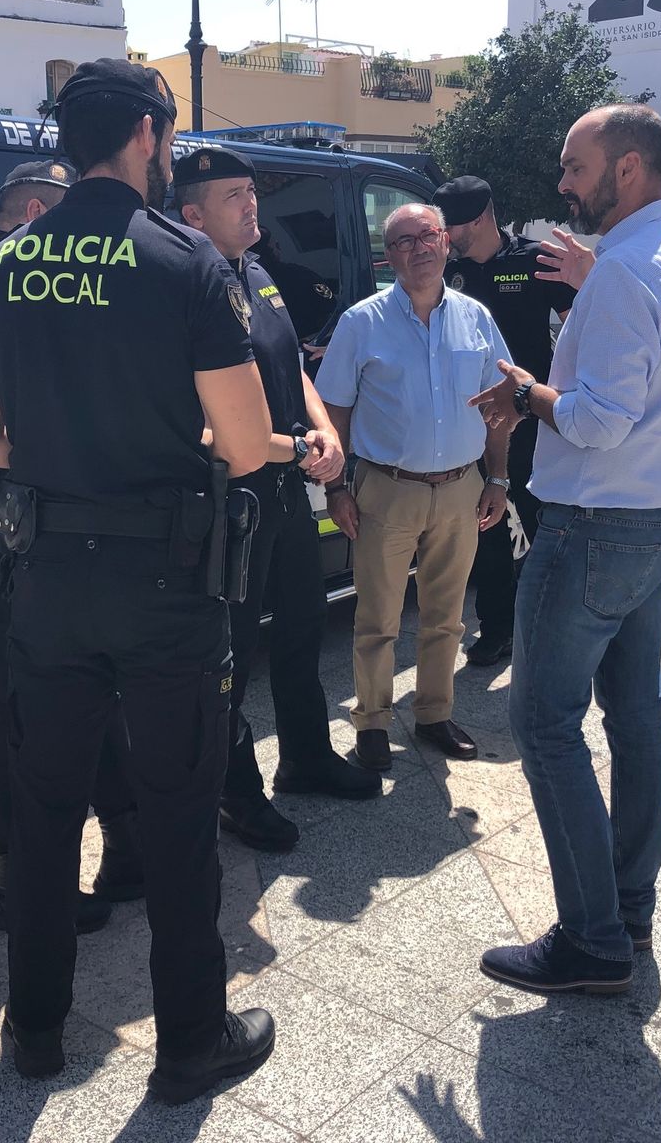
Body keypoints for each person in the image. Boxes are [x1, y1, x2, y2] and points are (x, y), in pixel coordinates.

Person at [0, 58, 276, 1103]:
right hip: (166, 581)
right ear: (144, 133)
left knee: (45, 812)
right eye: (166, 133)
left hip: (45, 576)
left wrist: (58, 459)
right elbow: (248, 445)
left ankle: (36, 1032)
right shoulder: (186, 263)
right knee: (177, 812)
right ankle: (190, 1044)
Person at [471, 104, 661, 994]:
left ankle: (592, 939)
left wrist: (528, 393)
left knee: (545, 724)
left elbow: (600, 420)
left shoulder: (626, 271)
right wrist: (595, 283)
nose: (562, 185)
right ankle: (628, 909)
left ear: (627, 169)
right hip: (656, 516)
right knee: (635, 714)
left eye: (575, 168)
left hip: (593, 526)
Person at [0, 159, 143, 937]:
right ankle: (12, 879)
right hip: (7, 520)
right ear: (39, 212)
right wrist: (41, 452)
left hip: (31, 516)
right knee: (27, 697)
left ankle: (123, 844)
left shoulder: (7, 273)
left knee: (85, 682)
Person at [172, 146, 380, 853]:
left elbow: (293, 367)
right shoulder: (183, 287)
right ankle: (235, 792)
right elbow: (190, 420)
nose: (251, 204)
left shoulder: (257, 273)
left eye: (251, 192)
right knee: (230, 649)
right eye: (233, 196)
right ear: (193, 215)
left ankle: (305, 757)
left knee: (302, 625)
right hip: (230, 498)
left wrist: (325, 432)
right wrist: (293, 447)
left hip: (287, 488)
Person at [314, 203, 514, 772]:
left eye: (426, 236)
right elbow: (334, 409)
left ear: (446, 242)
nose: (417, 249)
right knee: (377, 618)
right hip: (387, 488)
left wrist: (498, 478)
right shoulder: (362, 322)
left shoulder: (476, 318)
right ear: (390, 256)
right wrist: (337, 489)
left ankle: (433, 714)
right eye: (402, 241)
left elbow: (500, 407)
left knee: (446, 616)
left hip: (461, 488)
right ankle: (373, 723)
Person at [434, 175, 577, 669]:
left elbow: (580, 328)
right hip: (472, 419)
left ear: (479, 220)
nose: (444, 236)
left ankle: (549, 623)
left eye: (451, 227)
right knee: (486, 525)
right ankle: (497, 628)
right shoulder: (449, 270)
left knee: (538, 520)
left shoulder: (535, 261)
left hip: (529, 417)